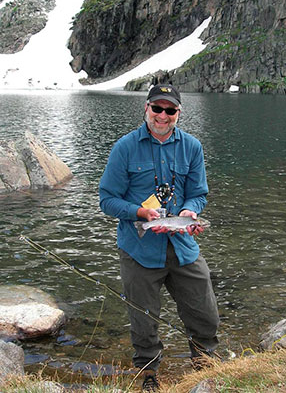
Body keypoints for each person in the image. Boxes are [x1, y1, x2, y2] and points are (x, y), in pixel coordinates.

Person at [99, 84, 220, 391]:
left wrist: (191, 213)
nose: (163, 116)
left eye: (170, 110)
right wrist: (141, 214)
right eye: (157, 108)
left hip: (182, 245)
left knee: (204, 312)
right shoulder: (125, 147)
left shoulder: (192, 146)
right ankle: (149, 374)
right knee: (144, 319)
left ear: (179, 113)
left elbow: (198, 194)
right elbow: (107, 199)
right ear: (146, 108)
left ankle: (204, 363)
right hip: (139, 248)